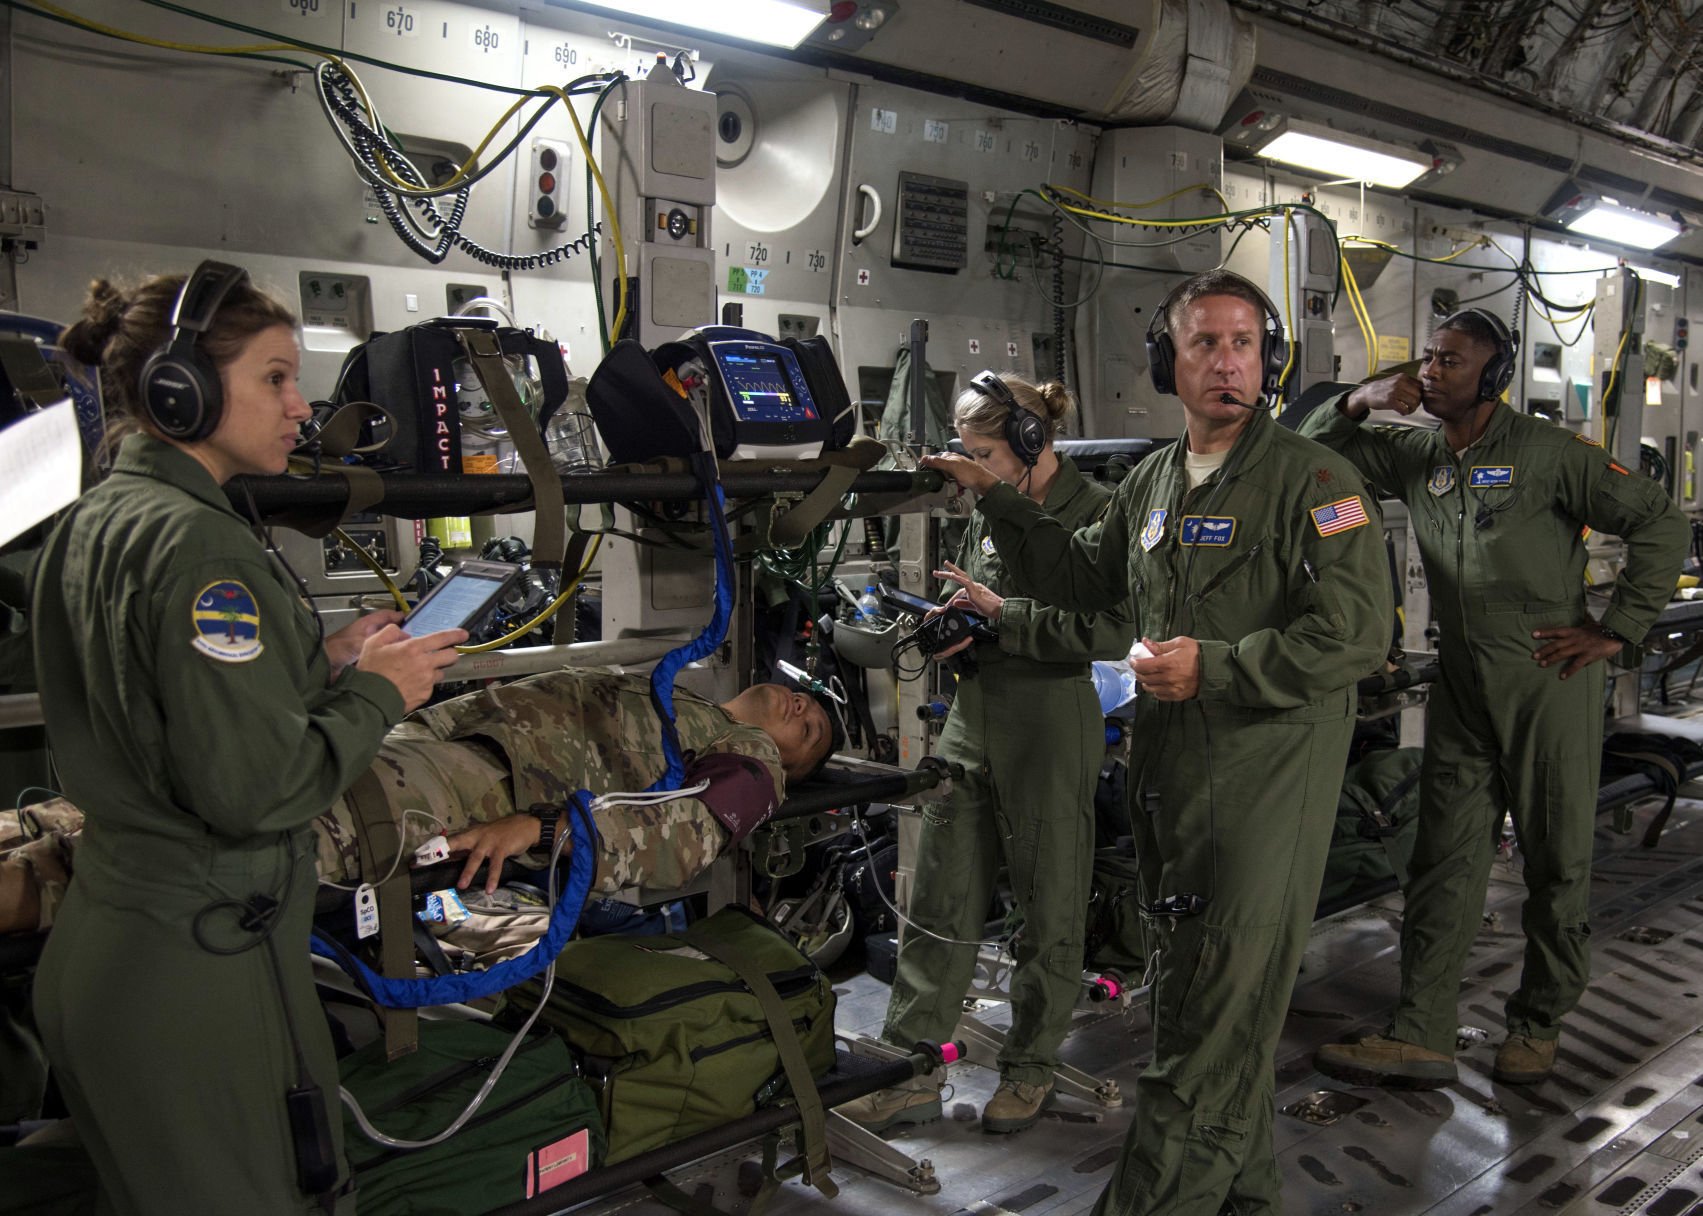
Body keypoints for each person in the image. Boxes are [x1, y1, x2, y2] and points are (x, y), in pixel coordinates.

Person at [921, 270, 1391, 1215]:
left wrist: (1216, 667)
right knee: (1209, 1009)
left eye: (1245, 344)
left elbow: (1354, 636)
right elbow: (1085, 584)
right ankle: (1246, 1196)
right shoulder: (1149, 482)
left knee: (1200, 1037)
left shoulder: (1315, 481)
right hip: (1175, 783)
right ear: (1165, 364)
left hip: (1264, 788)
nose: (1228, 363)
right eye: (1205, 344)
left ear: (1268, 360)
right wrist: (997, 500)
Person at [27, 265, 465, 1215]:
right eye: (272, 377)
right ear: (177, 388)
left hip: (115, 944)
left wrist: (317, 661)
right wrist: (380, 697)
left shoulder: (94, 520)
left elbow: (144, 699)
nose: (300, 406)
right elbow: (257, 792)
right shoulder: (205, 546)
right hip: (195, 970)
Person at [1302, 308, 1689, 1089]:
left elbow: (1659, 522)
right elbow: (1308, 458)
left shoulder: (1547, 454)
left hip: (1548, 672)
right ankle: (1421, 1029)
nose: (1435, 370)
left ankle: (1538, 1023)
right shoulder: (1415, 454)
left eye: (1452, 360)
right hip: (1462, 680)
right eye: (1430, 358)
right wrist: (1357, 399)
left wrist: (1618, 629)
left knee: (1555, 855)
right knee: (1442, 856)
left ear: (1494, 374)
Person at [3, 666, 844, 934]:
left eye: (816, 732)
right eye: (808, 700)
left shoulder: (748, 761)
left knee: (200, 856)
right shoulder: (672, 690)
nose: (805, 712)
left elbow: (686, 835)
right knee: (172, 801)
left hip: (457, 794)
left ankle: (33, 882)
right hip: (407, 749)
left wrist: (546, 828)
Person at [839, 373, 1133, 1136]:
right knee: (941, 894)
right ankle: (911, 1067)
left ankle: (1031, 1065)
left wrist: (1014, 622)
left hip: (1048, 714)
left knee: (1048, 901)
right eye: (963, 456)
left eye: (983, 456)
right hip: (975, 708)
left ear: (1032, 444)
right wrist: (965, 616)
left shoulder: (1096, 514)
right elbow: (990, 593)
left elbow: (1107, 631)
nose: (971, 471)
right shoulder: (987, 505)